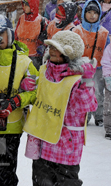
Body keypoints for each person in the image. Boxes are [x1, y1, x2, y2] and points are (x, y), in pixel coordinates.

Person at [24, 30, 97, 186]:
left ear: (70, 53)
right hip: (44, 141)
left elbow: (85, 105)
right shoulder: (44, 71)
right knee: (41, 181)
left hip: (66, 146)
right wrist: (28, 86)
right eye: (51, 47)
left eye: (57, 48)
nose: (52, 51)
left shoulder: (77, 77)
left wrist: (87, 82)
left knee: (66, 182)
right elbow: (39, 96)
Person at [0, 15, 38, 186]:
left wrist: (16, 101)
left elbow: (36, 92)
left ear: (10, 34)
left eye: (0, 34)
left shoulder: (24, 62)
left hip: (11, 126)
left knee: (5, 171)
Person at [73, 0, 110, 127]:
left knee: (99, 92)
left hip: (98, 68)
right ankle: (84, 115)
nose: (92, 15)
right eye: (89, 12)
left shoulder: (104, 33)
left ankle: (99, 116)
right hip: (81, 68)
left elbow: (108, 51)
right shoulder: (77, 31)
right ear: (84, 13)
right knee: (82, 92)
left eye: (95, 12)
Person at [15, 0, 48, 66]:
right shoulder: (21, 18)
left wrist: (41, 45)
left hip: (34, 56)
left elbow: (45, 36)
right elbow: (16, 34)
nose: (24, 7)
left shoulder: (41, 20)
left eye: (26, 5)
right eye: (23, 5)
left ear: (33, 6)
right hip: (21, 53)